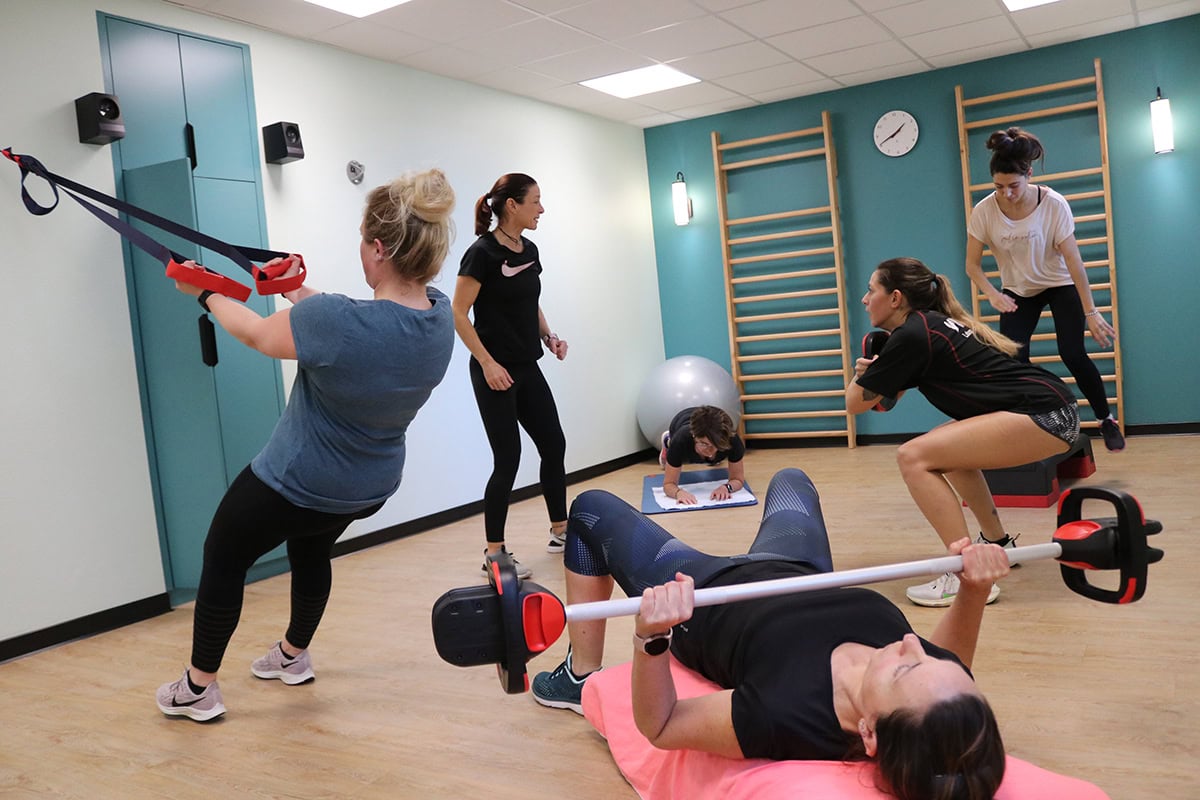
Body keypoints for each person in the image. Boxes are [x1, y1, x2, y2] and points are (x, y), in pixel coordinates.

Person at [155, 169, 457, 722]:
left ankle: (197, 689)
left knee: (224, 554)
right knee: (311, 549)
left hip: (297, 480)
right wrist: (293, 288)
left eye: (362, 240)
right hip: (370, 487)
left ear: (379, 248)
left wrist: (204, 291)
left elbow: (258, 334)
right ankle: (292, 656)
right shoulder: (439, 317)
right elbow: (356, 325)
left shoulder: (337, 320)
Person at [531, 468, 1009, 800]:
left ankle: (578, 675)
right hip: (799, 569)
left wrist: (651, 638)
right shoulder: (930, 693)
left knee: (588, 510)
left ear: (868, 732)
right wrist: (973, 589)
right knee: (791, 479)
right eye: (934, 661)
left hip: (706, 589)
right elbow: (950, 659)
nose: (913, 643)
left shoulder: (785, 712)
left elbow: (663, 725)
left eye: (905, 667)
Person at [847, 257, 1080, 608]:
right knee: (944, 450)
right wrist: (878, 373)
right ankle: (998, 543)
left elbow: (855, 404)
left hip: (1044, 413)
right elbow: (888, 397)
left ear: (895, 298)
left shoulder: (913, 334)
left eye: (871, 290)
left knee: (912, 456)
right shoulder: (929, 325)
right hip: (1054, 408)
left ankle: (963, 572)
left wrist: (861, 372)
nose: (865, 299)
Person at [965, 126, 1123, 452]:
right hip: (1017, 291)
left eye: (1014, 186)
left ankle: (1105, 419)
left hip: (1059, 284)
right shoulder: (984, 211)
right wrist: (992, 293)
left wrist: (1091, 311)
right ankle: (1025, 425)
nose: (1006, 193)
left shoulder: (1053, 204)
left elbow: (1074, 261)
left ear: (1029, 175)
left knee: (1072, 353)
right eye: (998, 187)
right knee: (1013, 358)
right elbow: (972, 265)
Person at [453, 173, 568, 580]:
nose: (541, 209)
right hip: (494, 371)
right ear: (512, 205)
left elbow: (529, 301)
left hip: (526, 365)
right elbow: (458, 314)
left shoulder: (529, 249)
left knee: (553, 444)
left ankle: (561, 531)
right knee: (508, 460)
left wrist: (548, 336)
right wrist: (487, 363)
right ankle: (494, 554)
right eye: (535, 201)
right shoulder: (481, 253)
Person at [658, 405, 747, 505]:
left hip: (713, 422)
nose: (710, 450)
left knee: (714, 459)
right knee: (674, 450)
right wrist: (678, 493)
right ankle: (667, 442)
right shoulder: (681, 440)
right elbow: (668, 484)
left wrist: (727, 488)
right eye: (704, 444)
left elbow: (738, 479)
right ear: (694, 437)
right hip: (680, 421)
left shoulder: (732, 440)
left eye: (715, 445)